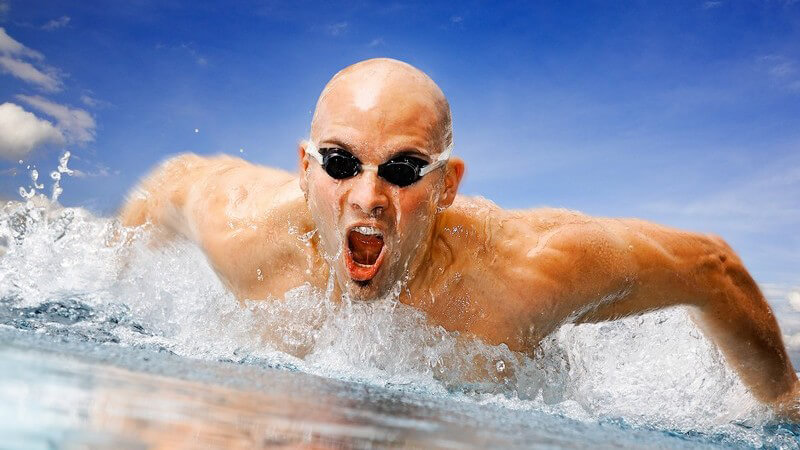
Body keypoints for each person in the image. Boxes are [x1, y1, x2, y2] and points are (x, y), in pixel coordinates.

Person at [120, 58, 799, 417]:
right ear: (305, 170)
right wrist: (119, 289)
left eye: (405, 170)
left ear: (447, 186)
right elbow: (167, 187)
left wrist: (783, 406)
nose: (368, 197)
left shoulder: (524, 271)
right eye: (338, 162)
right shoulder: (245, 230)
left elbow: (713, 268)